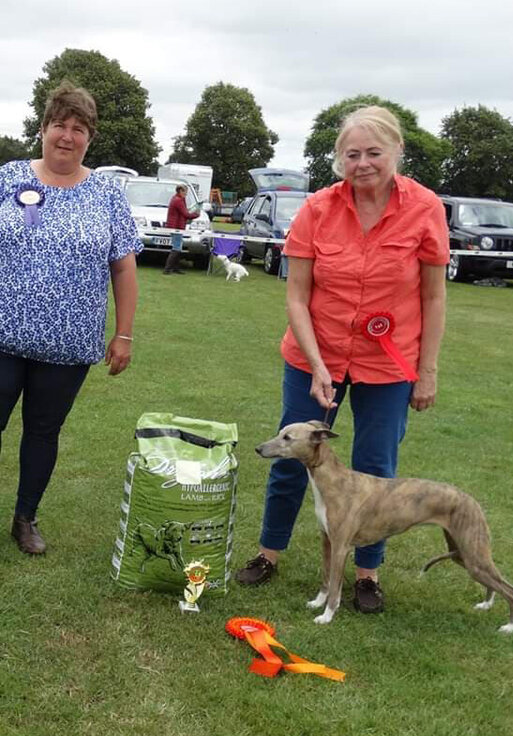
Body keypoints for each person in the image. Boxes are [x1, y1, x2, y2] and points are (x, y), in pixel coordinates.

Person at [235, 106, 449, 614]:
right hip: (315, 353)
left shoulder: (425, 208)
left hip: (389, 365)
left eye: (374, 152)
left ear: (397, 151)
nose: (363, 163)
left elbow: (434, 298)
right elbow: (296, 296)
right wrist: (317, 363)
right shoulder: (317, 209)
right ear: (339, 160)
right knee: (291, 456)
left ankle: (366, 574)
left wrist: (428, 371)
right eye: (352, 154)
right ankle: (269, 554)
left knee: (376, 468)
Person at [0, 81, 141, 555]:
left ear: (89, 138)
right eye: (60, 125)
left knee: (43, 431)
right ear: (43, 130)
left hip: (69, 345)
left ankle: (26, 518)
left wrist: (124, 334)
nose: (67, 137)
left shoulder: (108, 195)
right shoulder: (11, 177)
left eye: (79, 129)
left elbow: (124, 266)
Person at [164, 184, 199, 274]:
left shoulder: (177, 199)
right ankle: (167, 269)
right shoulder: (178, 200)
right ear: (180, 191)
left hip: (177, 226)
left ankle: (175, 268)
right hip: (176, 227)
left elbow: (184, 212)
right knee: (176, 247)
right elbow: (186, 214)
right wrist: (196, 214)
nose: (186, 194)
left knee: (178, 247)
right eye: (185, 192)